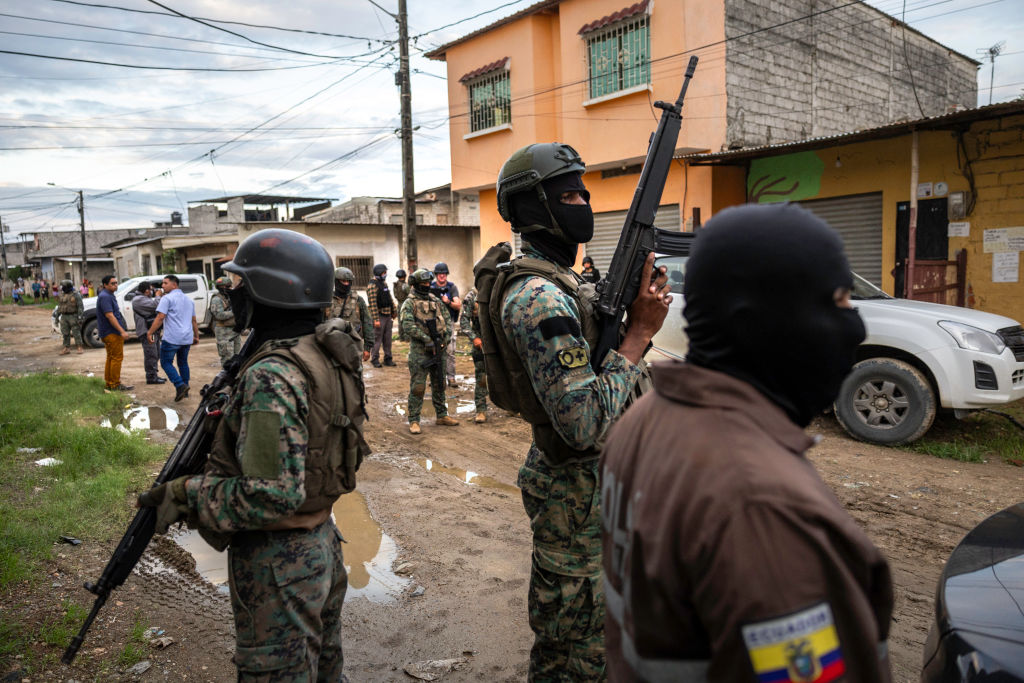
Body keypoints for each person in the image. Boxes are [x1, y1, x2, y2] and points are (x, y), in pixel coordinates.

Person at [600, 204, 894, 682]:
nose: (854, 324)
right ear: (759, 319)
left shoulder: (643, 419)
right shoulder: (761, 506)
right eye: (837, 300)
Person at [137, 227, 368, 681]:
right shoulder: (321, 353)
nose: (233, 292)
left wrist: (185, 495)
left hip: (279, 563)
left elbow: (271, 495)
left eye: (241, 283)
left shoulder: (273, 375)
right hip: (320, 542)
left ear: (271, 289)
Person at [491, 142, 671, 680]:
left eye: (584, 193)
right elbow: (584, 422)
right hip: (574, 497)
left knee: (605, 640)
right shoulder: (538, 299)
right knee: (575, 655)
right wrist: (638, 334)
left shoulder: (567, 287)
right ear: (529, 209)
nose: (583, 204)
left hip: (599, 488)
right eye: (568, 195)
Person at [399, 269, 459, 434]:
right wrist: (427, 340)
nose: (426, 286)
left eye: (428, 283)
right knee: (418, 387)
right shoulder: (409, 303)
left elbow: (447, 320)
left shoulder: (436, 301)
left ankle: (442, 415)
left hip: (438, 349)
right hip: (420, 351)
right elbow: (407, 326)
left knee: (440, 383)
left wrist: (444, 340)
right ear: (416, 284)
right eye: (423, 284)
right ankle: (414, 420)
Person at [147, 274, 198, 402]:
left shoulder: (167, 299)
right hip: (186, 337)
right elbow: (194, 321)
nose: (162, 286)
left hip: (172, 338)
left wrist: (150, 332)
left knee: (165, 362)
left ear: (174, 284)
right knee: (183, 363)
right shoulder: (189, 300)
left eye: (165, 283)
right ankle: (184, 390)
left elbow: (160, 317)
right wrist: (196, 336)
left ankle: (180, 385)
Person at [97, 274, 133, 392]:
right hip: (111, 332)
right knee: (117, 358)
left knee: (111, 357)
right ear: (105, 285)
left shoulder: (108, 295)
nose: (115, 285)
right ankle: (115, 384)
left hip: (109, 332)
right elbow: (110, 315)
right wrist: (122, 331)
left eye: (116, 283)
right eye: (112, 283)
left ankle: (110, 383)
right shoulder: (105, 296)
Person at [328, 266, 373, 362]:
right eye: (343, 281)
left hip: (353, 345)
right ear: (336, 281)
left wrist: (367, 348)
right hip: (331, 346)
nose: (346, 284)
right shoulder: (327, 300)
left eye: (348, 281)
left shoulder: (358, 300)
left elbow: (367, 323)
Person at [458, 286, 488, 423]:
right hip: (480, 343)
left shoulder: (496, 291)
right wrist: (474, 338)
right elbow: (464, 321)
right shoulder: (472, 297)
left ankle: (510, 406)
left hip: (498, 342)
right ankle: (481, 410)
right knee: (481, 377)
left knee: (505, 375)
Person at [429, 262, 461, 387]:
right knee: (434, 351)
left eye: (444, 274)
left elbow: (458, 305)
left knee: (450, 350)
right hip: (434, 323)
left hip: (448, 323)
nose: (442, 276)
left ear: (447, 274)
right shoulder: (430, 287)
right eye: (439, 274)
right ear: (436, 275)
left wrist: (448, 302)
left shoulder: (452, 287)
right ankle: (436, 378)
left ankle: (451, 377)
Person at [132, 281, 165, 384]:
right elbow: (157, 305)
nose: (153, 291)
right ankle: (151, 377)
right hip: (146, 332)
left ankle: (154, 374)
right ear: (146, 291)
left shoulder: (144, 298)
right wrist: (158, 295)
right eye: (151, 289)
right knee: (151, 354)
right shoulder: (138, 300)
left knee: (156, 353)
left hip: (152, 332)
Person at [366, 263, 397, 368]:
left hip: (387, 315)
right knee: (377, 339)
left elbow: (389, 298)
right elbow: (373, 304)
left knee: (388, 339)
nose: (385, 274)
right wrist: (376, 319)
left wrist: (394, 310)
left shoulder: (384, 284)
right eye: (384, 273)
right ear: (378, 273)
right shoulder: (372, 286)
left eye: (385, 272)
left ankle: (388, 358)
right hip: (379, 316)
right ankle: (374, 359)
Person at [210, 276, 242, 367]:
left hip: (234, 331)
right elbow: (219, 315)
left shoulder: (229, 298)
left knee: (237, 356)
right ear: (220, 287)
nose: (229, 288)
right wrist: (235, 312)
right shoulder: (216, 299)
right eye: (227, 287)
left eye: (230, 286)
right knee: (227, 358)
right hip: (224, 332)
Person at [56, 279, 85, 355]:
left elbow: (80, 307)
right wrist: (57, 317)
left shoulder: (76, 295)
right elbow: (60, 307)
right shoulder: (62, 295)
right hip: (64, 317)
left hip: (73, 316)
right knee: (65, 333)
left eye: (63, 286)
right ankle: (66, 348)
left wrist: (80, 317)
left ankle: (79, 347)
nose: (62, 288)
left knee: (76, 332)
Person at [394, 269, 410, 342]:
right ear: (404, 276)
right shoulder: (405, 285)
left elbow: (395, 295)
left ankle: (401, 337)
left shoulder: (395, 284)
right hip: (405, 304)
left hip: (399, 304)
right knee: (406, 320)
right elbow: (410, 294)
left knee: (400, 321)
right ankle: (407, 338)